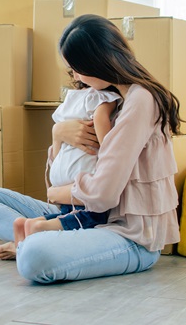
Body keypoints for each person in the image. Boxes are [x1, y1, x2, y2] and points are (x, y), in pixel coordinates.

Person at [0, 13, 183, 284]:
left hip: (129, 236)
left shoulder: (141, 100)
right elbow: (65, 171)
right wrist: (58, 136)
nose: (77, 76)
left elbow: (102, 194)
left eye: (79, 68)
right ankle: (45, 235)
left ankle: (35, 241)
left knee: (35, 258)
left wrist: (55, 193)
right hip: (77, 213)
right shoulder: (105, 98)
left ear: (100, 62)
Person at [13, 80, 122, 247]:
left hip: (61, 173)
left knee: (68, 214)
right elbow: (101, 117)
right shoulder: (103, 96)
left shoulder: (72, 97)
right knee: (92, 217)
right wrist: (107, 148)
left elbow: (58, 132)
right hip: (81, 174)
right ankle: (40, 227)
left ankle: (27, 227)